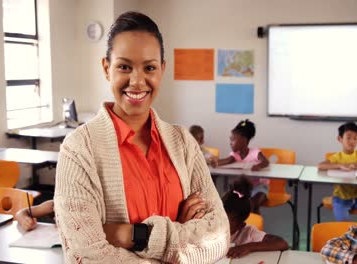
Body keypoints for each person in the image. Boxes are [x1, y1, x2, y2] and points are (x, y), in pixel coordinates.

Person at [54, 11, 229, 263]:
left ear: (162, 70)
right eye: (124, 66)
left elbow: (218, 236)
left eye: (149, 68)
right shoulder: (79, 149)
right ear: (106, 68)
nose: (137, 81)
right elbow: (85, 255)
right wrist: (182, 247)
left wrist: (134, 235)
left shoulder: (183, 143)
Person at [223, 177, 288, 258]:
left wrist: (247, 247)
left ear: (240, 226)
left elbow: (282, 243)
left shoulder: (248, 233)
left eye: (230, 221)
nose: (222, 223)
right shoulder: (209, 228)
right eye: (220, 217)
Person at [318, 122, 357, 221]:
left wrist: (356, 164)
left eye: (355, 138)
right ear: (340, 139)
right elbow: (320, 165)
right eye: (348, 138)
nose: (352, 141)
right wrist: (340, 165)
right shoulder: (337, 157)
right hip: (341, 199)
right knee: (344, 224)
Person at [216, 119, 270, 214]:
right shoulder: (235, 155)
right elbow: (227, 160)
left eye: (233, 139)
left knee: (253, 205)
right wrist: (214, 162)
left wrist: (258, 166)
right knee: (230, 203)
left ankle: (255, 225)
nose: (230, 142)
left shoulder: (255, 153)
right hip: (242, 188)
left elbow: (266, 162)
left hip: (258, 187)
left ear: (244, 140)